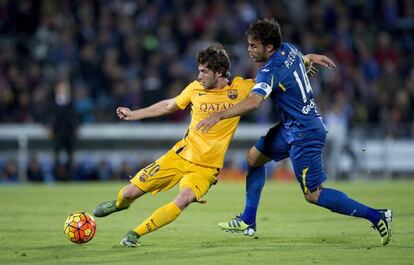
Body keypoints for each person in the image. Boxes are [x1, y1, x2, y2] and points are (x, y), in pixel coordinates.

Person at [196, 18, 392, 246]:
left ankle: (378, 216)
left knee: (313, 194)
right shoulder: (288, 49)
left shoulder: (268, 72)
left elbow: (255, 101)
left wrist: (219, 115)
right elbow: (297, 60)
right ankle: (248, 221)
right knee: (254, 158)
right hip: (291, 127)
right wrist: (309, 57)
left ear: (269, 48)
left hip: (305, 133)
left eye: (253, 46)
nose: (249, 50)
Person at [92, 45, 255, 247]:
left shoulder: (241, 89)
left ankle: (135, 234)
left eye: (204, 71)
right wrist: (135, 114)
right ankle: (119, 205)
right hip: (179, 156)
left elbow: (275, 77)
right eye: (199, 70)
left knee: (184, 199)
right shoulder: (195, 89)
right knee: (128, 193)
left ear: (219, 72)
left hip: (206, 168)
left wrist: (305, 60)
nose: (199, 75)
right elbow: (169, 105)